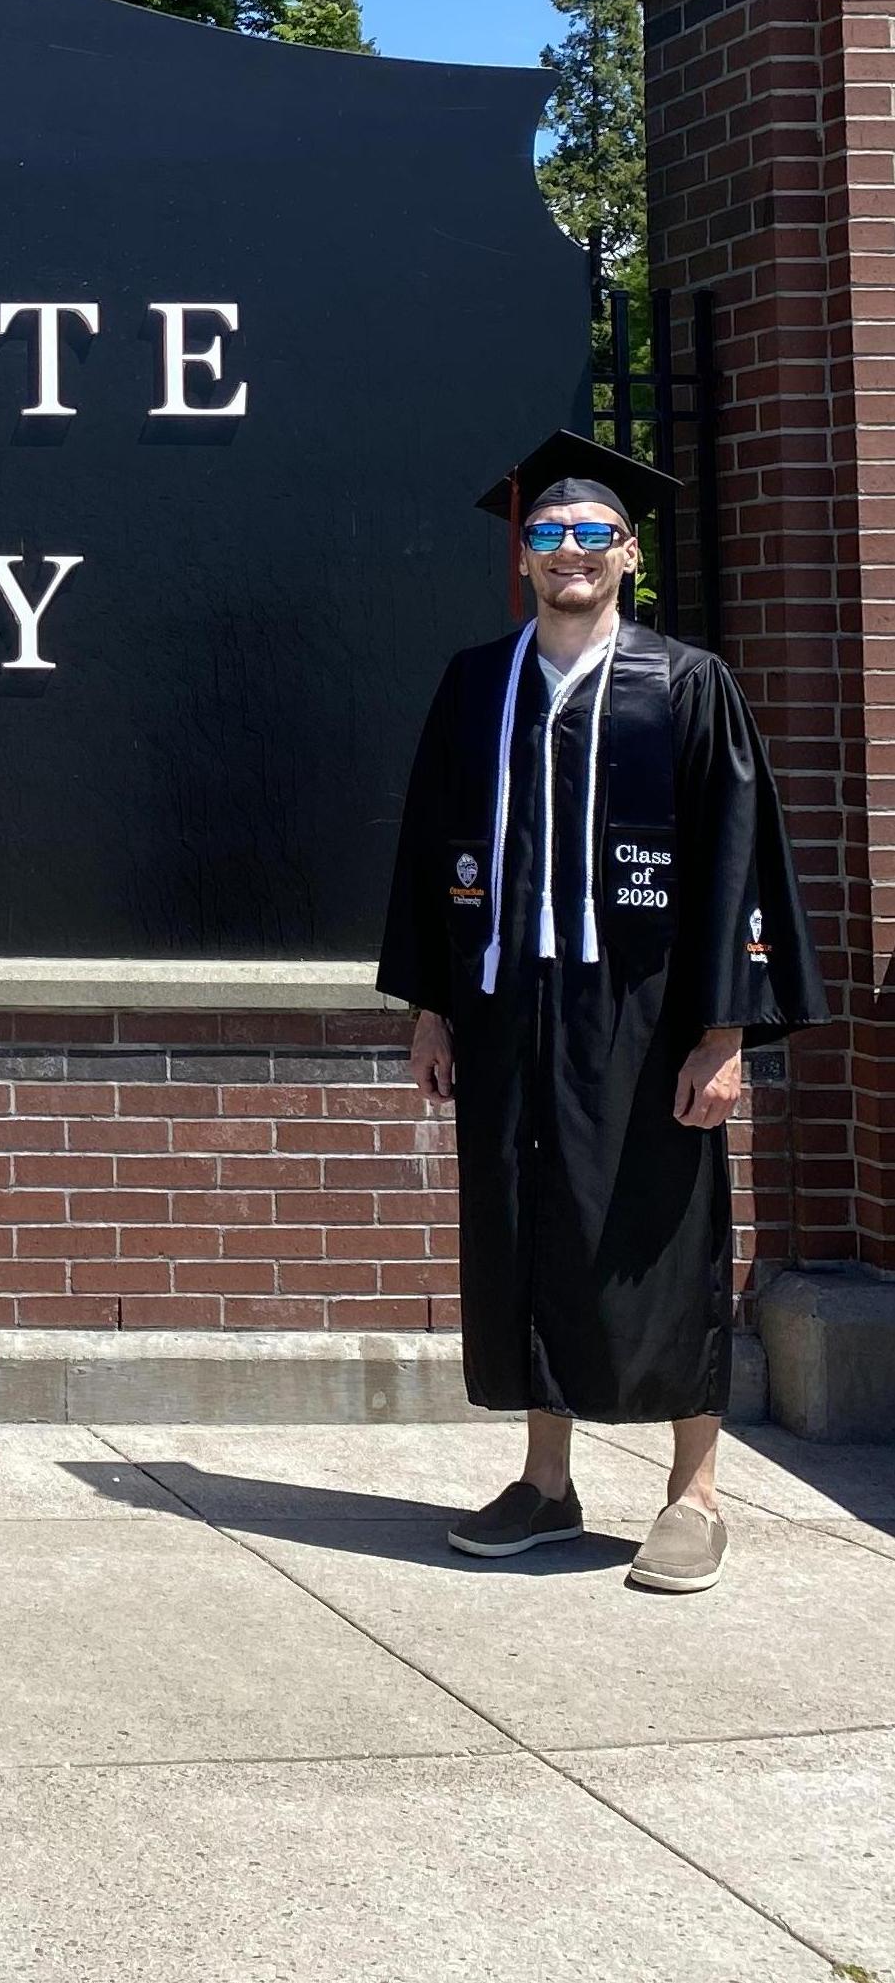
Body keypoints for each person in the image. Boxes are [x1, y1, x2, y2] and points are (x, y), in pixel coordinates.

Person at [377, 430, 823, 1594]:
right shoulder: (480, 685)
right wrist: (432, 1009)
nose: (569, 552)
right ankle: (545, 1480)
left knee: (663, 1234)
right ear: (521, 558)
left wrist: (724, 1035)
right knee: (525, 1228)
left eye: (592, 535)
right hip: (508, 1003)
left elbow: (741, 863)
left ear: (629, 552)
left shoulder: (685, 685)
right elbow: (432, 852)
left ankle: (695, 1494)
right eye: (547, 535)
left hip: (647, 1011)